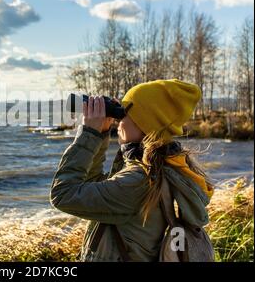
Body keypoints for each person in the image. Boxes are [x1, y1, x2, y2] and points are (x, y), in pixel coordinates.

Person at [50, 79, 214, 262]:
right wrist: (102, 135)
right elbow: (91, 185)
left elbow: (63, 194)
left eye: (124, 113)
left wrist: (89, 134)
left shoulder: (139, 181)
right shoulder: (155, 168)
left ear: (144, 124)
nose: (119, 122)